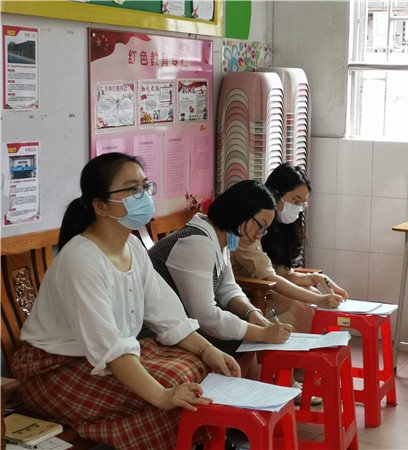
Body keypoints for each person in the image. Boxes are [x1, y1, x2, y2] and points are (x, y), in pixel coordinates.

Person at [10, 152, 240, 450]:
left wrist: (209, 351)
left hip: (102, 357)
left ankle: (204, 443)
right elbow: (109, 347)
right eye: (132, 189)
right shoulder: (81, 259)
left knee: (196, 367)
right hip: (53, 370)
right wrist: (162, 396)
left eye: (145, 186)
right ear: (100, 206)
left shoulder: (132, 245)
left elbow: (168, 315)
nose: (144, 196)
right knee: (172, 387)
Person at [148, 180, 293, 379]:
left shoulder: (219, 238)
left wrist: (252, 313)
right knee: (244, 339)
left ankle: (258, 387)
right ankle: (250, 389)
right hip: (158, 331)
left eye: (264, 230)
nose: (259, 236)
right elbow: (206, 316)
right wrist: (262, 333)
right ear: (239, 212)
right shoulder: (196, 244)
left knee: (246, 330)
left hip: (185, 323)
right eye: (260, 226)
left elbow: (228, 289)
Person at [231, 163, 348, 335]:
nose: (298, 208)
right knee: (300, 303)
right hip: (247, 291)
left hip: (267, 286)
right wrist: (319, 299)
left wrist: (316, 278)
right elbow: (269, 276)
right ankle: (293, 351)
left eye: (302, 203)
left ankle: (306, 350)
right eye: (295, 201)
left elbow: (282, 273)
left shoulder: (281, 227)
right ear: (275, 194)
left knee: (310, 292)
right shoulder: (250, 227)